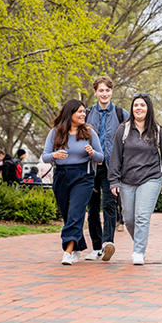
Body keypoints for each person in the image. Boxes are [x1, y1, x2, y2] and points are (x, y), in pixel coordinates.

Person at [109, 93, 162, 265]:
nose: (139, 108)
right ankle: (139, 241)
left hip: (150, 178)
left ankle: (138, 252)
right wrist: (114, 180)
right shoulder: (124, 129)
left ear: (148, 108)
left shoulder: (158, 131)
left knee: (142, 216)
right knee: (129, 219)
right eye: (136, 105)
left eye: (142, 105)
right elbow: (115, 157)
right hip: (127, 179)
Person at [41, 99, 104, 265]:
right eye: (80, 112)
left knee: (76, 212)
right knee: (68, 215)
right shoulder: (55, 132)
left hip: (83, 176)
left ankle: (68, 251)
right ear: (70, 114)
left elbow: (101, 157)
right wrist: (54, 155)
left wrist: (92, 153)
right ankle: (77, 246)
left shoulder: (89, 133)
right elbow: (45, 156)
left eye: (84, 112)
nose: (84, 114)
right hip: (61, 176)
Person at [84, 76, 130, 262]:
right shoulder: (86, 114)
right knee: (92, 207)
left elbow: (130, 140)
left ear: (112, 92)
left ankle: (107, 244)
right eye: (101, 90)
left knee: (109, 204)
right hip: (90, 167)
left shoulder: (122, 114)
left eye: (107, 90)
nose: (104, 94)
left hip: (112, 168)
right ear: (95, 92)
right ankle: (96, 247)